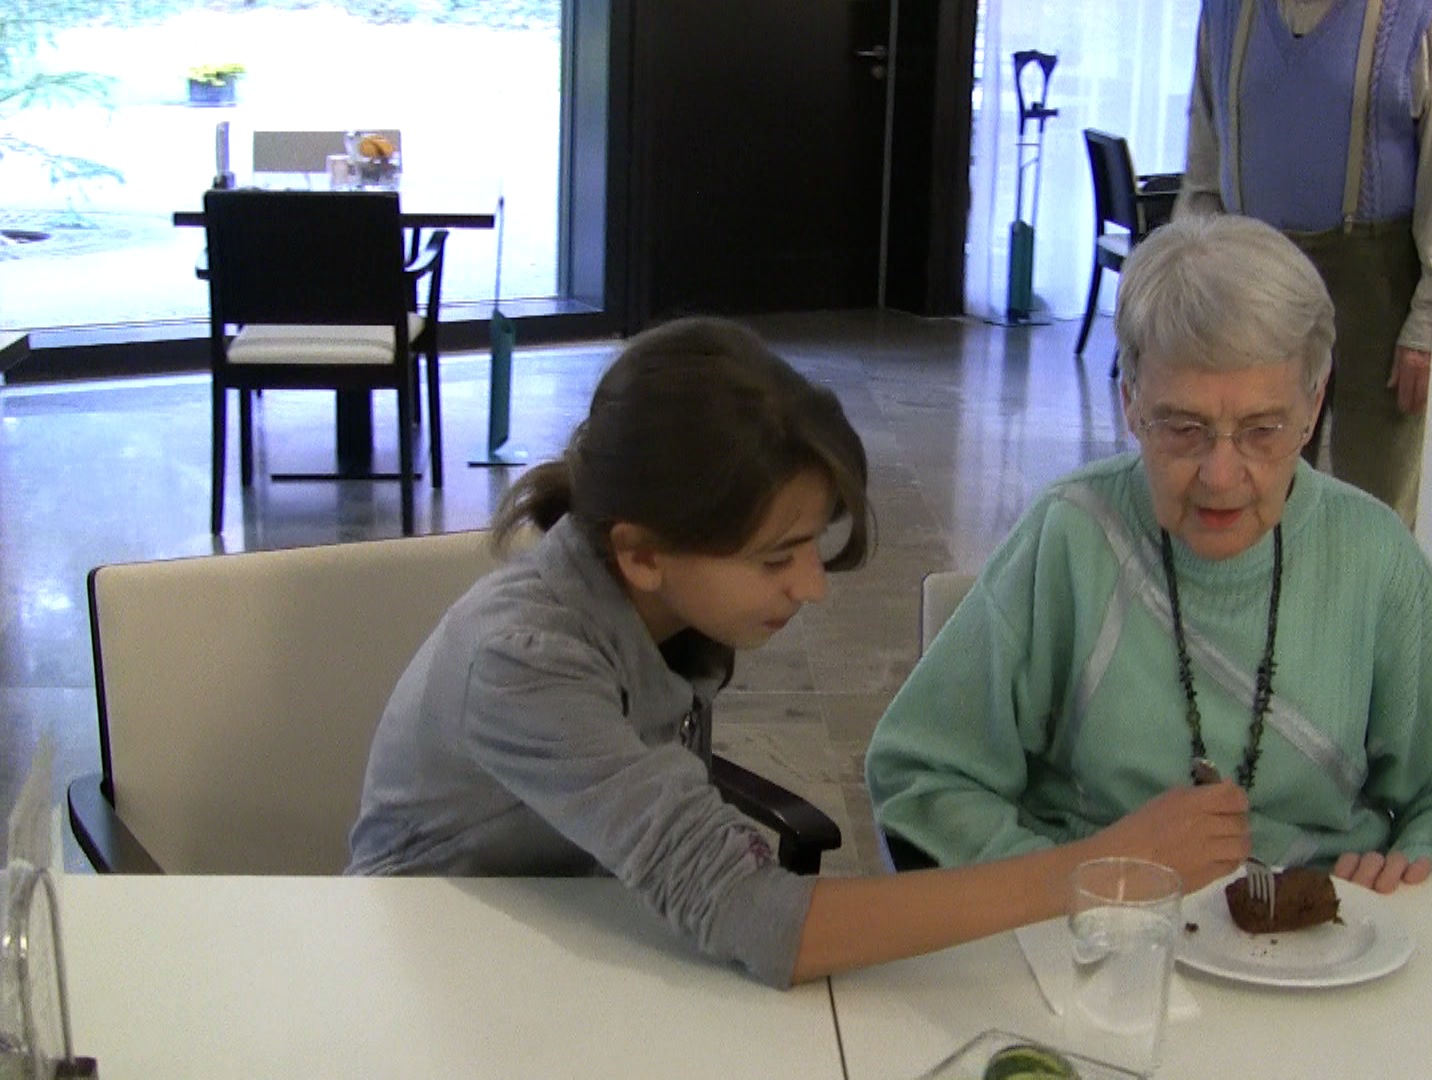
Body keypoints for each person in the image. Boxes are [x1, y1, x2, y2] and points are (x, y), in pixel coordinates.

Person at [347, 317, 1251, 988]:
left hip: (576, 934)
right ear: (642, 550)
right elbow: (757, 917)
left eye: (810, 546)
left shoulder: (657, 602)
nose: (811, 588)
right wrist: (1099, 870)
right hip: (428, 963)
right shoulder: (527, 662)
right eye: (775, 558)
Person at [866, 216, 1432, 895]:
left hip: (1317, 948)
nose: (1220, 473)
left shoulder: (1370, 552)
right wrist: (1068, 884)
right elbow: (923, 773)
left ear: (1313, 404)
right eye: (1183, 428)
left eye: (1262, 431)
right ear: (1129, 402)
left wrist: (1422, 863)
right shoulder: (1071, 536)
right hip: (1100, 943)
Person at [1176, 0, 1432, 525]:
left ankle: (1364, 607)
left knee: (1376, 503)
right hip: (1251, 284)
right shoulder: (1224, 13)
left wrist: (1429, 319)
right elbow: (1203, 165)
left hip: (1377, 289)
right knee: (1249, 483)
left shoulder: (1421, 16)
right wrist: (1191, 292)